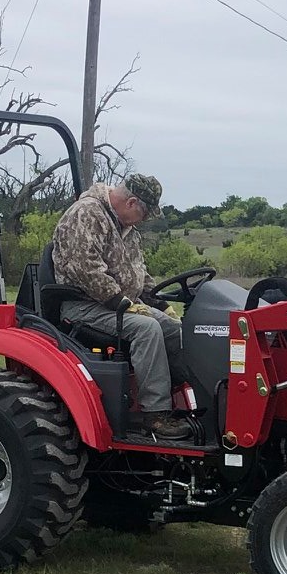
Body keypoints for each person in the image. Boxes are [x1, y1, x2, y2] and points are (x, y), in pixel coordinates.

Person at [50, 171, 195, 442]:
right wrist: (122, 303)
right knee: (147, 329)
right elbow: (85, 270)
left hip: (120, 304)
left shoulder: (126, 228)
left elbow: (138, 274)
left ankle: (188, 396)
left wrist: (162, 304)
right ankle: (155, 413)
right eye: (145, 213)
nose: (145, 220)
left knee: (174, 329)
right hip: (85, 304)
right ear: (131, 203)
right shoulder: (86, 214)